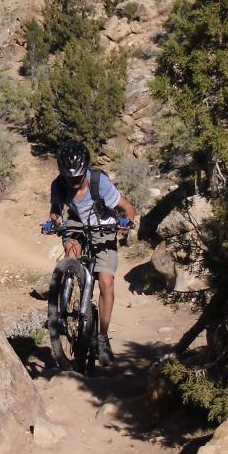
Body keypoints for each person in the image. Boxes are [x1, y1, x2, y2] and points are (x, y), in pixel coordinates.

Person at [43, 140, 137, 366]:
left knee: (105, 282)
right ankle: (66, 301)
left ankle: (102, 337)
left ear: (85, 169)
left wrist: (126, 222)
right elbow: (56, 209)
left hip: (103, 226)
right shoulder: (59, 185)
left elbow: (128, 208)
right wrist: (53, 222)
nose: (73, 183)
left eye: (77, 178)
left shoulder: (99, 182)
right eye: (69, 178)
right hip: (76, 225)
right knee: (70, 255)